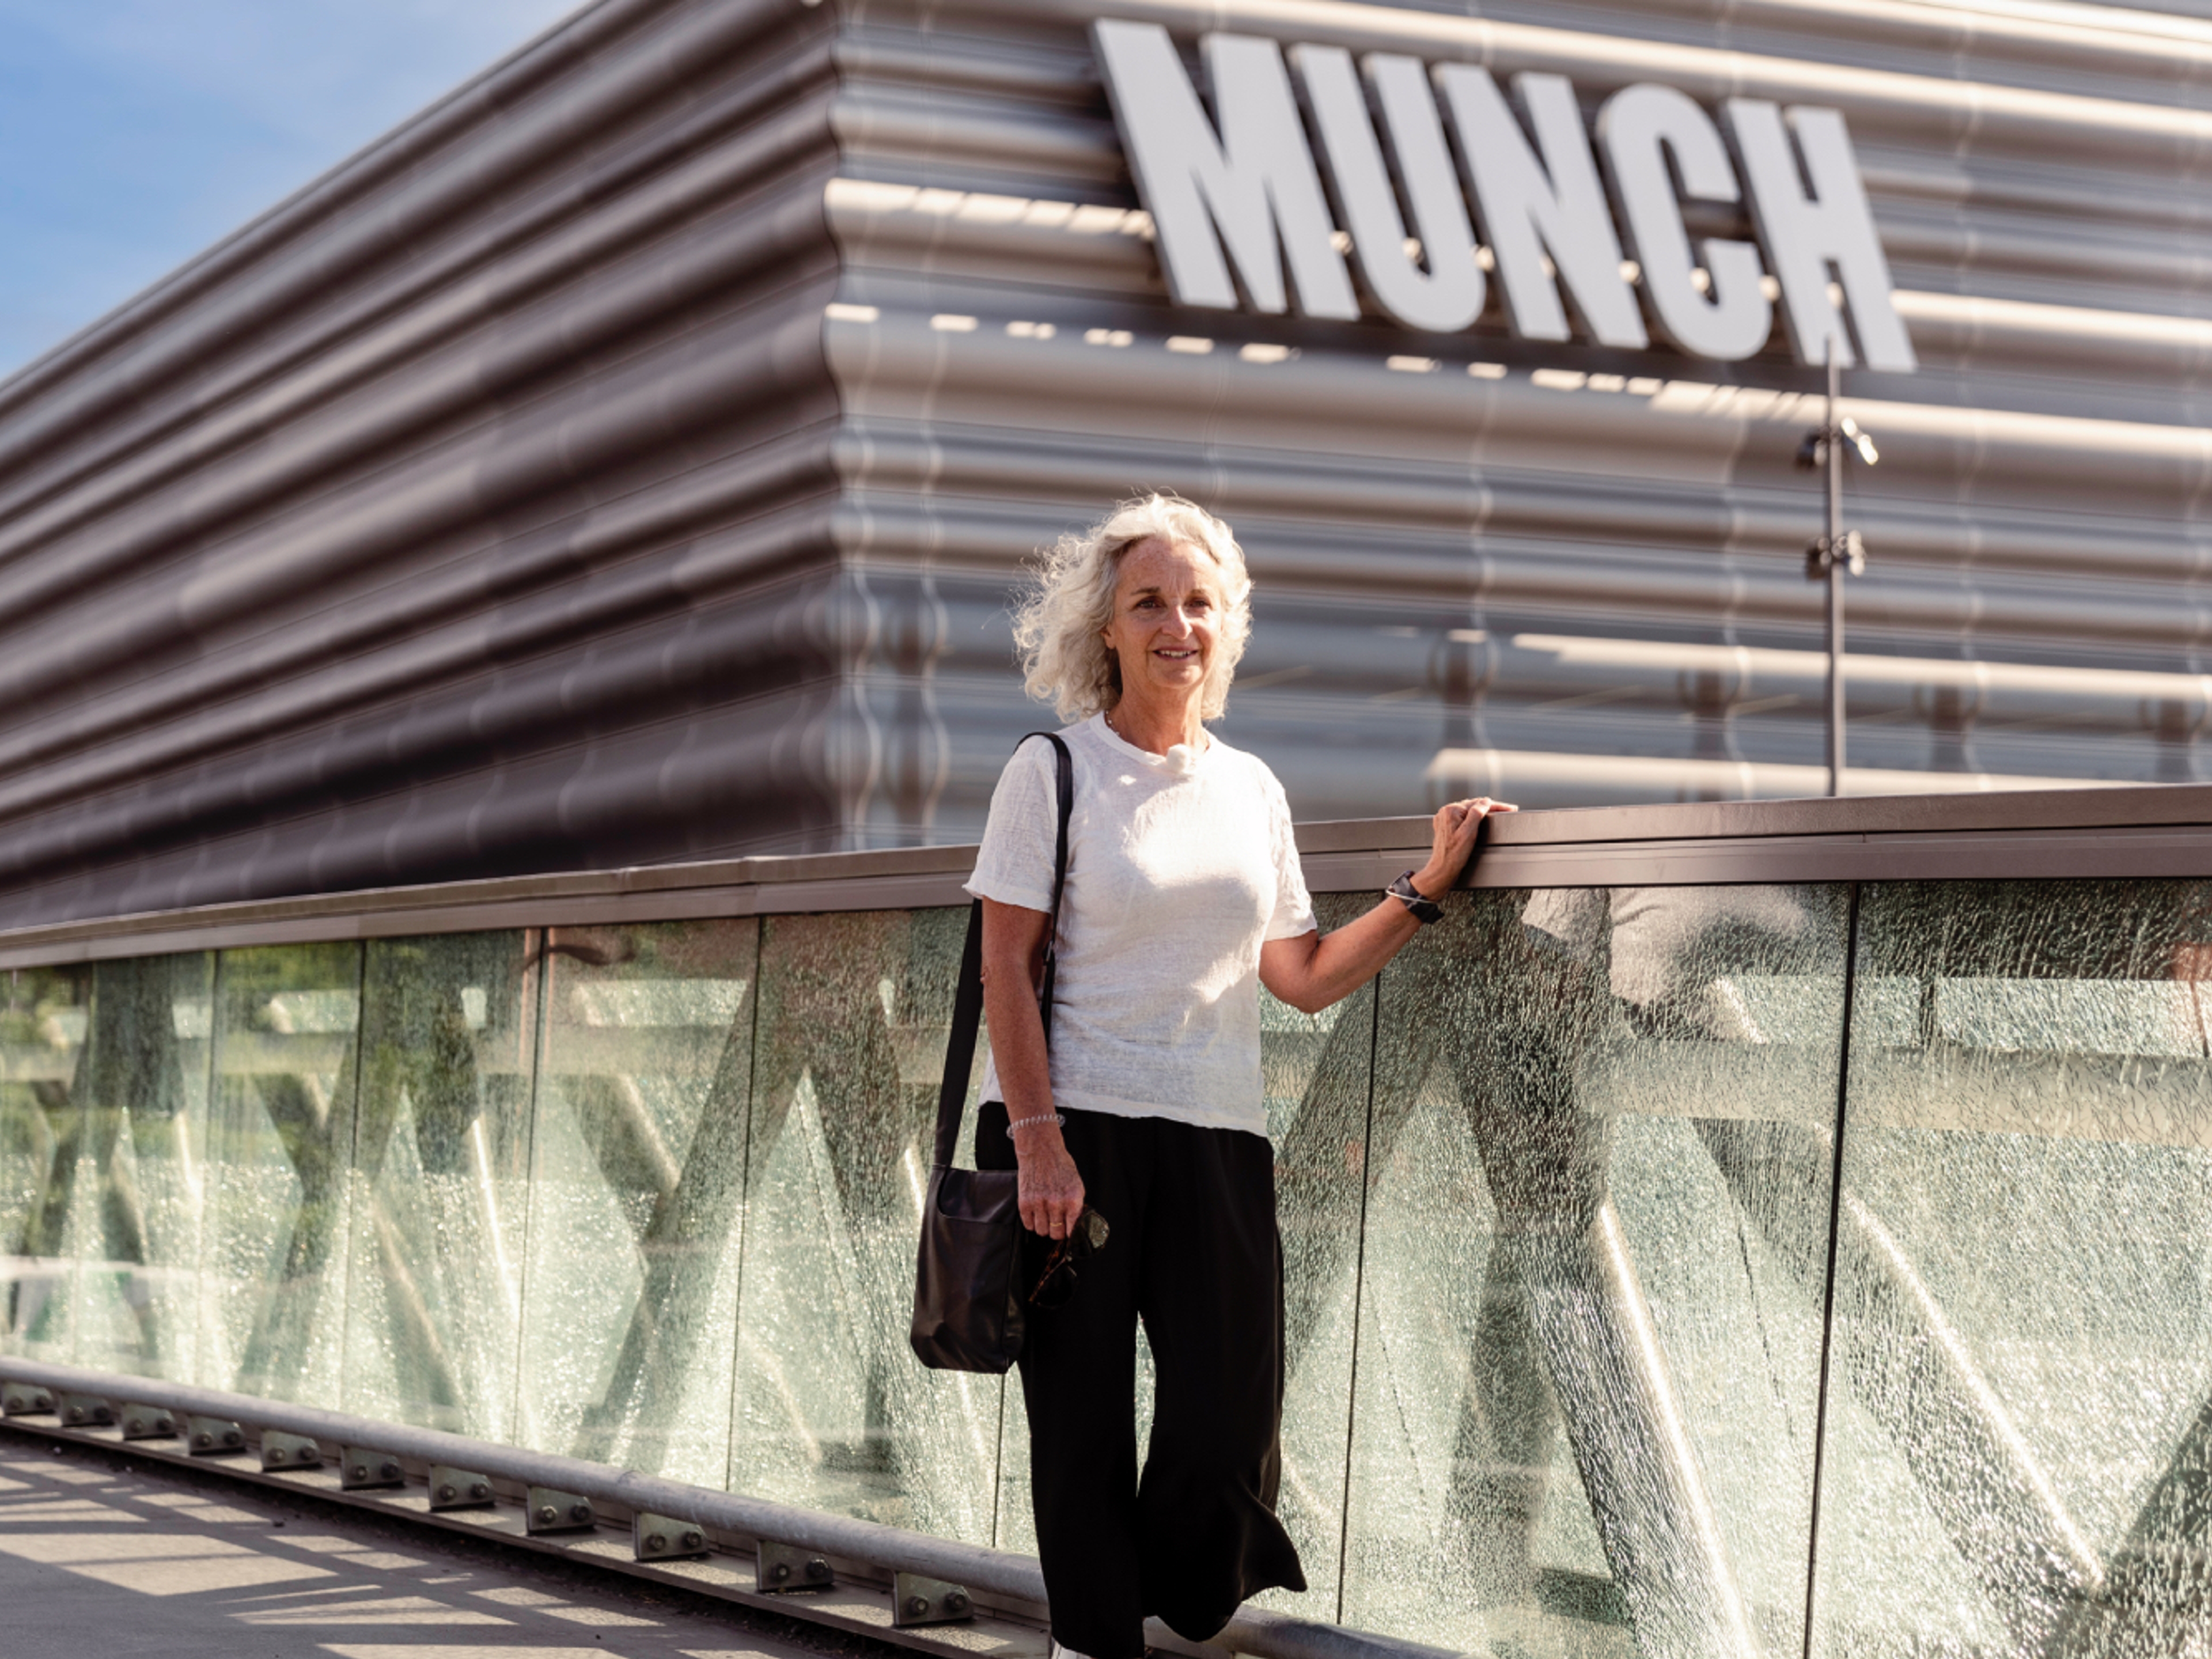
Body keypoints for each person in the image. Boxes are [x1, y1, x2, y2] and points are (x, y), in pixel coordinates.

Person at [964, 493, 1513, 1659]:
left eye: (1199, 603)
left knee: (1227, 1421)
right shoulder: (1053, 771)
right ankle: (1094, 1643)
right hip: (1078, 1130)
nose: (1179, 625)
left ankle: (1164, 1605)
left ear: (1228, 624)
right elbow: (1005, 963)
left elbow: (1300, 977)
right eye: (1149, 603)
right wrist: (1038, 1139)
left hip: (1218, 1134)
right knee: (1081, 1424)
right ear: (1107, 628)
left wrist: (1422, 891)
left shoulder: (1253, 788)